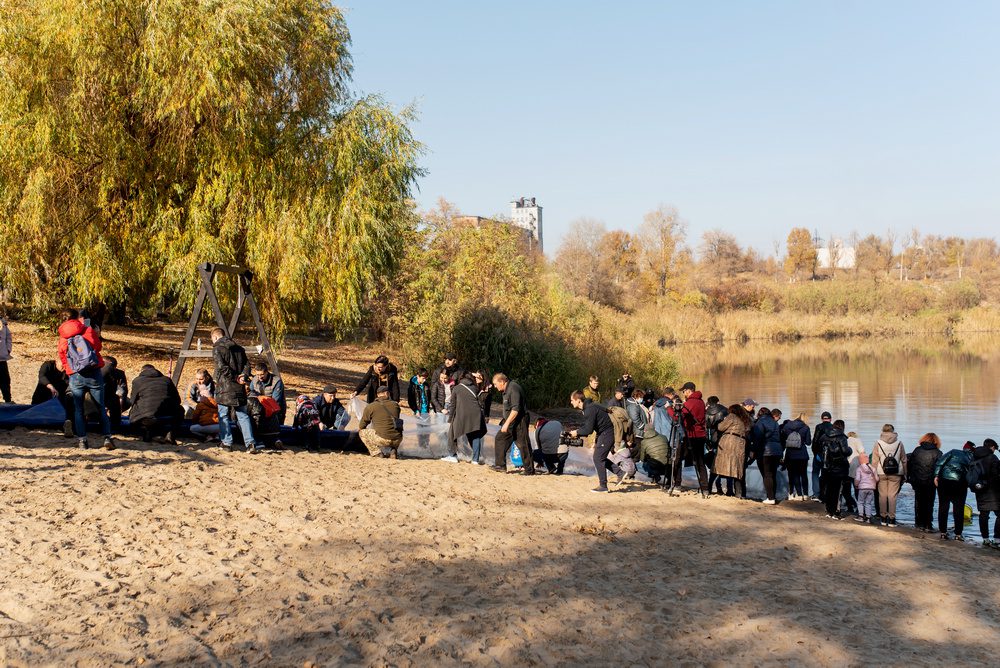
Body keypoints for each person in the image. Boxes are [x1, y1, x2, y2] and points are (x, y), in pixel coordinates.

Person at [58, 308, 114, 450]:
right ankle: (107, 437)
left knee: (78, 409)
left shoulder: (62, 337)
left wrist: (69, 370)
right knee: (100, 407)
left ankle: (82, 440)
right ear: (77, 318)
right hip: (93, 371)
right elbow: (98, 347)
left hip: (75, 375)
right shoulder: (87, 330)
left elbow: (63, 356)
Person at [211, 327, 261, 453]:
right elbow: (247, 365)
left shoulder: (217, 348)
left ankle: (227, 443)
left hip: (225, 387)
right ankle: (250, 444)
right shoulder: (239, 348)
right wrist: (243, 376)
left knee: (223, 414)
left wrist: (234, 377)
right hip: (239, 387)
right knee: (243, 415)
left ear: (215, 337)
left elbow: (222, 367)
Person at [569, 389, 618, 492]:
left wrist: (576, 433)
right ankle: (620, 473)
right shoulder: (589, 407)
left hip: (608, 433)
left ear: (578, 400)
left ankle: (603, 486)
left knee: (598, 458)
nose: (571, 402)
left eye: (572, 400)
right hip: (604, 433)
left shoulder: (589, 409)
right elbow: (590, 426)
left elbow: (588, 430)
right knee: (600, 457)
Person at [128, 364, 184, 444]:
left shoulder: (137, 381)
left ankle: (147, 432)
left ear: (142, 371)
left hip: (145, 418)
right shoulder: (167, 380)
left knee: (135, 411)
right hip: (168, 415)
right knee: (180, 410)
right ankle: (171, 433)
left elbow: (132, 401)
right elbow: (177, 400)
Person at [491, 374, 533, 475]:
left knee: (523, 444)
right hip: (510, 421)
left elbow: (515, 410)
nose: (495, 387)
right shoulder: (506, 390)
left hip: (519, 420)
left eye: (496, 384)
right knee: (500, 438)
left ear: (502, 382)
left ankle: (529, 470)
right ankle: (500, 465)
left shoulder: (513, 388)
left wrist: (506, 424)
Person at [934, 441, 974, 540]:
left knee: (943, 506)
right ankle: (958, 534)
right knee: (959, 508)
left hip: (944, 481)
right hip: (960, 484)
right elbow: (972, 474)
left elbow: (940, 463)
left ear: (964, 448)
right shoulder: (973, 458)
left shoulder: (953, 451)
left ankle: (943, 532)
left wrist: (936, 475)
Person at [870, 424, 907, 527]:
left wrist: (873, 474)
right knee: (892, 496)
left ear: (882, 431)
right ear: (893, 431)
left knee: (882, 495)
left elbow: (874, 460)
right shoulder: (899, 443)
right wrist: (905, 474)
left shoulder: (878, 443)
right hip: (896, 473)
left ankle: (883, 517)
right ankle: (891, 519)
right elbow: (904, 459)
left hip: (881, 472)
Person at [446, 372, 487, 464]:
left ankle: (452, 455)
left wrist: (450, 418)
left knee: (452, 434)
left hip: (462, 415)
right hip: (476, 415)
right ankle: (475, 460)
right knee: (475, 436)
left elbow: (453, 405)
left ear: (461, 378)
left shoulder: (456, 388)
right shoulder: (475, 388)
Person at [675, 381, 708, 491]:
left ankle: (677, 484)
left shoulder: (690, 403)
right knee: (700, 462)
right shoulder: (701, 402)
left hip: (689, 435)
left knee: (678, 459)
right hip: (701, 435)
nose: (683, 393)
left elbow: (678, 417)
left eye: (684, 391)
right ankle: (705, 487)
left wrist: (669, 409)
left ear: (689, 391)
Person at [908, 433, 943, 533]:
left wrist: (910, 478)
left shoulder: (917, 450)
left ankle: (919, 523)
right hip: (930, 482)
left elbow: (910, 465)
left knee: (918, 501)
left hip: (917, 481)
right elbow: (939, 469)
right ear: (936, 441)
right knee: (929, 502)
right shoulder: (938, 453)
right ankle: (928, 524)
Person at [31, 359, 75, 437]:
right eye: (62, 365)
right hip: (43, 392)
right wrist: (51, 387)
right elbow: (42, 376)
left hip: (60, 395)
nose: (64, 368)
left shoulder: (68, 370)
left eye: (66, 366)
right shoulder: (48, 365)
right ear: (57, 361)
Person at [716, 404, 751, 497]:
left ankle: (727, 489)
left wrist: (720, 421)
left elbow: (720, 427)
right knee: (738, 468)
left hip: (730, 442)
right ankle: (739, 493)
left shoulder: (732, 416)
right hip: (741, 443)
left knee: (727, 466)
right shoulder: (745, 419)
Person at [358, 385, 403, 458]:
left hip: (383, 439)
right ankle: (393, 450)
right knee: (392, 431)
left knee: (362, 433)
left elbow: (362, 425)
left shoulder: (371, 406)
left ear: (378, 395)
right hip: (398, 439)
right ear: (387, 393)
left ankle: (377, 453)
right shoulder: (396, 406)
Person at [820, 419, 851, 519]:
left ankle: (829, 511)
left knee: (829, 489)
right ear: (842, 427)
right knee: (838, 490)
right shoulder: (842, 437)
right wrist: (850, 449)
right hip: (839, 467)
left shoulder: (824, 436)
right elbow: (846, 451)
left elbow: (819, 447)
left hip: (827, 466)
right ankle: (836, 512)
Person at [972, 439, 1000, 548]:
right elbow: (996, 474)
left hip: (979, 489)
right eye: (995, 448)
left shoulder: (975, 456)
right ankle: (997, 540)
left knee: (983, 515)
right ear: (991, 447)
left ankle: (985, 539)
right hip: (994, 490)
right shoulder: (993, 458)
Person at [751, 406, 782, 504]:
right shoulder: (775, 423)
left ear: (759, 414)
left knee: (767, 475)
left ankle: (770, 498)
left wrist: (753, 451)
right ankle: (773, 496)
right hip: (777, 451)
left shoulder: (760, 422)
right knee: (773, 474)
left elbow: (757, 438)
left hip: (765, 451)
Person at [780, 412, 812, 500]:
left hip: (790, 454)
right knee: (803, 474)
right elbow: (808, 443)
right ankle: (805, 494)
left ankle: (798, 494)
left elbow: (783, 439)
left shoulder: (787, 426)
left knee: (795, 475)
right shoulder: (806, 427)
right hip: (802, 454)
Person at [705, 396, 729, 495]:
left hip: (712, 440)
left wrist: (707, 442)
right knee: (726, 464)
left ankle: (710, 487)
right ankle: (728, 489)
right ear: (718, 401)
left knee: (714, 465)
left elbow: (706, 428)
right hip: (723, 440)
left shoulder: (706, 412)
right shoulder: (724, 410)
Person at [812, 411, 835, 502]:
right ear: (830, 419)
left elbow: (815, 441)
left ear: (822, 419)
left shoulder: (819, 427)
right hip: (829, 456)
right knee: (826, 474)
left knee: (815, 473)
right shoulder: (833, 427)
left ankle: (816, 494)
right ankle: (825, 494)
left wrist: (815, 453)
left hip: (819, 454)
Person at [102, 356, 129, 428]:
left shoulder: (97, 371)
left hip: (110, 398)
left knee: (125, 401)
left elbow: (123, 391)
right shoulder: (119, 373)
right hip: (104, 398)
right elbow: (123, 390)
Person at [854, 452, 878, 523]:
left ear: (860, 460)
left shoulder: (859, 468)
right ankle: (868, 518)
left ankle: (861, 516)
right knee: (868, 503)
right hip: (871, 489)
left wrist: (856, 485)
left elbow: (857, 479)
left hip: (862, 488)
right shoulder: (873, 468)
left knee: (860, 502)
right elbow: (877, 479)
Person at [0, 314, 12, 403]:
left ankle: (8, 400)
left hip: (2, 357)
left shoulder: (3, 321)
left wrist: (8, 348)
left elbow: (8, 336)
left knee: (5, 380)